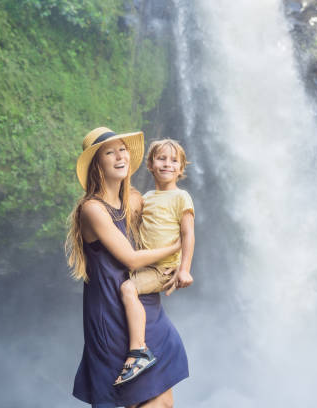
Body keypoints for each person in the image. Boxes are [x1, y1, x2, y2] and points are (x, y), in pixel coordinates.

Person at [67, 127, 189, 408]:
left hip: (142, 304)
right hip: (111, 310)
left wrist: (174, 268)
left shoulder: (135, 199)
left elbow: (167, 218)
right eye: (110, 152)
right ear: (97, 165)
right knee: (133, 400)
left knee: (164, 401)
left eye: (122, 149)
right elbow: (131, 259)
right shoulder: (92, 209)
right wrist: (175, 247)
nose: (120, 156)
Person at [114, 139, 195, 387]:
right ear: (150, 164)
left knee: (128, 289)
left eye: (173, 160)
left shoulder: (182, 197)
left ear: (181, 169)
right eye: (161, 158)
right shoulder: (147, 197)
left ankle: (139, 351)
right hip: (144, 264)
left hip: (162, 269)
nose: (167, 164)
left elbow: (188, 234)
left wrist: (184, 270)